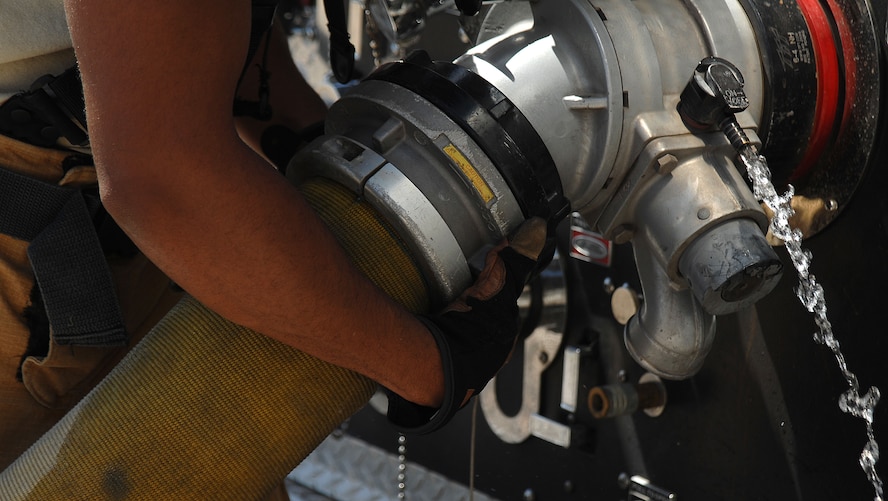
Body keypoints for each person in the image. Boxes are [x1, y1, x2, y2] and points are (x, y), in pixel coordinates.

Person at [0, 0, 546, 486]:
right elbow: (163, 181)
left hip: (137, 226)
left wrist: (314, 144)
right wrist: (427, 367)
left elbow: (199, 39)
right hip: (42, 266)